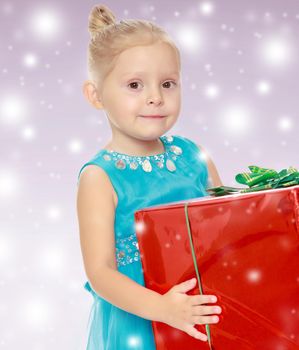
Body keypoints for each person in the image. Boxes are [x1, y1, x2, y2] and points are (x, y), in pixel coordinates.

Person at [76, 4, 223, 349]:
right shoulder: (100, 177)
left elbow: (225, 223)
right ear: (95, 95)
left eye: (168, 83)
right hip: (138, 319)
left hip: (201, 304)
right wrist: (161, 309)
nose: (155, 97)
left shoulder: (193, 156)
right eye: (135, 85)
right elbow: (100, 274)